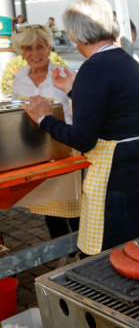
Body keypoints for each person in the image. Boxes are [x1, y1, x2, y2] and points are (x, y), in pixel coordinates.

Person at [22, 0, 139, 256]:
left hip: (119, 178)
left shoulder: (94, 68)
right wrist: (75, 90)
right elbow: (114, 110)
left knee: (110, 258)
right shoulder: (126, 60)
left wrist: (44, 118)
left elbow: (83, 139)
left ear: (75, 34)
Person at [10, 24, 79, 249]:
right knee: (50, 208)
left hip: (65, 148)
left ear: (49, 47)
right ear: (22, 52)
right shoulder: (19, 78)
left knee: (74, 207)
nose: (35, 53)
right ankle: (64, 254)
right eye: (28, 48)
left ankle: (82, 253)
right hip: (37, 152)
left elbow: (81, 109)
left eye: (40, 46)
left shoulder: (63, 73)